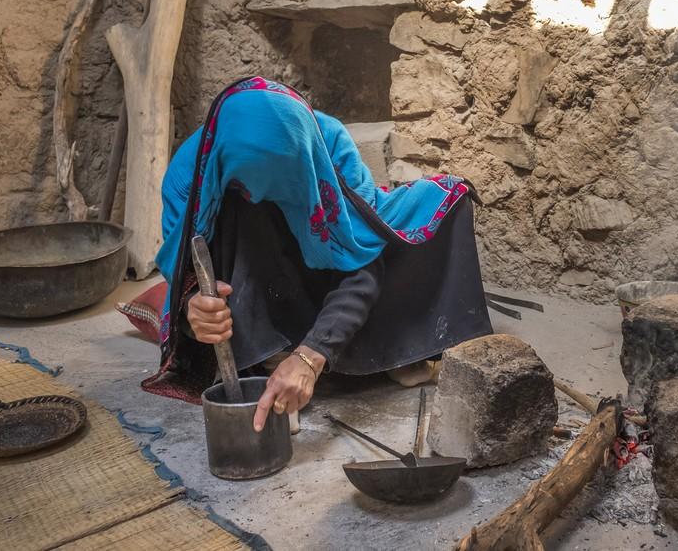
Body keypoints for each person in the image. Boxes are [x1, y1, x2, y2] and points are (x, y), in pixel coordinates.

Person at [149, 77, 493, 432]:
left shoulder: (330, 144)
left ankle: (382, 347)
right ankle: (270, 353)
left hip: (321, 273)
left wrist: (310, 356)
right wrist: (194, 311)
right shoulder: (190, 176)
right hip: (256, 293)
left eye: (288, 184)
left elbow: (360, 259)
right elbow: (186, 275)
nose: (261, 194)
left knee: (446, 203)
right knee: (244, 211)